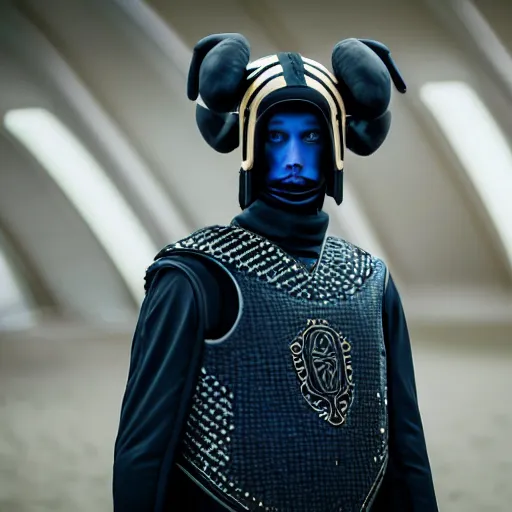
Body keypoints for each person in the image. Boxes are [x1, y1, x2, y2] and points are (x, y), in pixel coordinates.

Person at [113, 33, 438, 511]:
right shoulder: (194, 277)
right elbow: (144, 452)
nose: (292, 158)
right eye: (275, 135)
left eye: (309, 136)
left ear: (333, 144)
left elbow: (406, 449)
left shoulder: (371, 282)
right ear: (249, 143)